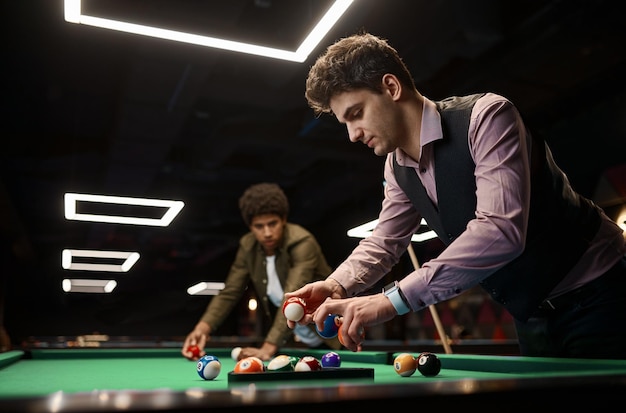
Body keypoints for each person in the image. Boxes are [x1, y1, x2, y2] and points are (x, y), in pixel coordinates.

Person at [285, 32, 626, 359]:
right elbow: (384, 241)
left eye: (356, 114)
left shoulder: (486, 116)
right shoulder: (396, 166)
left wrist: (389, 300)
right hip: (531, 312)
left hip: (602, 291)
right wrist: (336, 285)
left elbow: (500, 231)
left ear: (390, 87)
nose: (352, 135)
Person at [182, 182, 340, 361]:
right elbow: (230, 291)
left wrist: (268, 347)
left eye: (272, 224)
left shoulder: (302, 242)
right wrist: (202, 328)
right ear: (250, 227)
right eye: (259, 226)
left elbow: (293, 297)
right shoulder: (248, 246)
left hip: (332, 335)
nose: (267, 233)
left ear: (284, 220)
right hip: (295, 339)